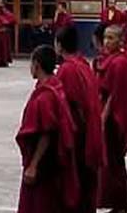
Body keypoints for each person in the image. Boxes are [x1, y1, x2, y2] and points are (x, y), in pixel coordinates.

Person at [16, 45, 80, 213]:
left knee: (40, 204)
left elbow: (47, 132)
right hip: (53, 160)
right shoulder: (56, 85)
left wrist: (33, 165)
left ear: (36, 65)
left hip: (45, 162)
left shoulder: (45, 97)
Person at [55, 27, 104, 213]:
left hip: (78, 133)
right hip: (89, 127)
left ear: (59, 46)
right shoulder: (83, 64)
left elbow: (71, 105)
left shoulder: (67, 70)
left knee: (75, 179)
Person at [95, 25, 127, 212]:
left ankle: (121, 205)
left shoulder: (120, 63)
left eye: (111, 38)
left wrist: (103, 120)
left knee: (114, 163)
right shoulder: (111, 60)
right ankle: (119, 203)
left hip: (114, 119)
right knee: (113, 164)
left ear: (121, 41)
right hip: (110, 116)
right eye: (105, 38)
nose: (107, 42)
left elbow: (114, 95)